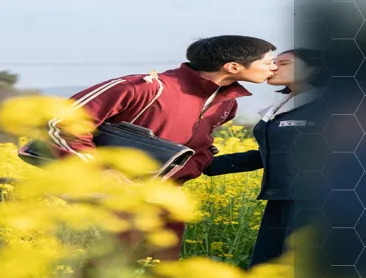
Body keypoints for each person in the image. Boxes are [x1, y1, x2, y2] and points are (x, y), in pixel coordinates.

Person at [33, 34, 278, 259]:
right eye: (269, 62)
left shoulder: (226, 105)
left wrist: (195, 161)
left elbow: (199, 147)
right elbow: (59, 123)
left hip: (165, 201)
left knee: (156, 276)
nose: (274, 67)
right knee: (97, 274)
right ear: (233, 67)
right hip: (105, 197)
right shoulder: (143, 86)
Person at [201, 48, 329, 268]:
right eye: (272, 62)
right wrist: (205, 162)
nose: (273, 68)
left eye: (285, 63)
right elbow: (271, 154)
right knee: (267, 269)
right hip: (280, 200)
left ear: (314, 69)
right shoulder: (281, 107)